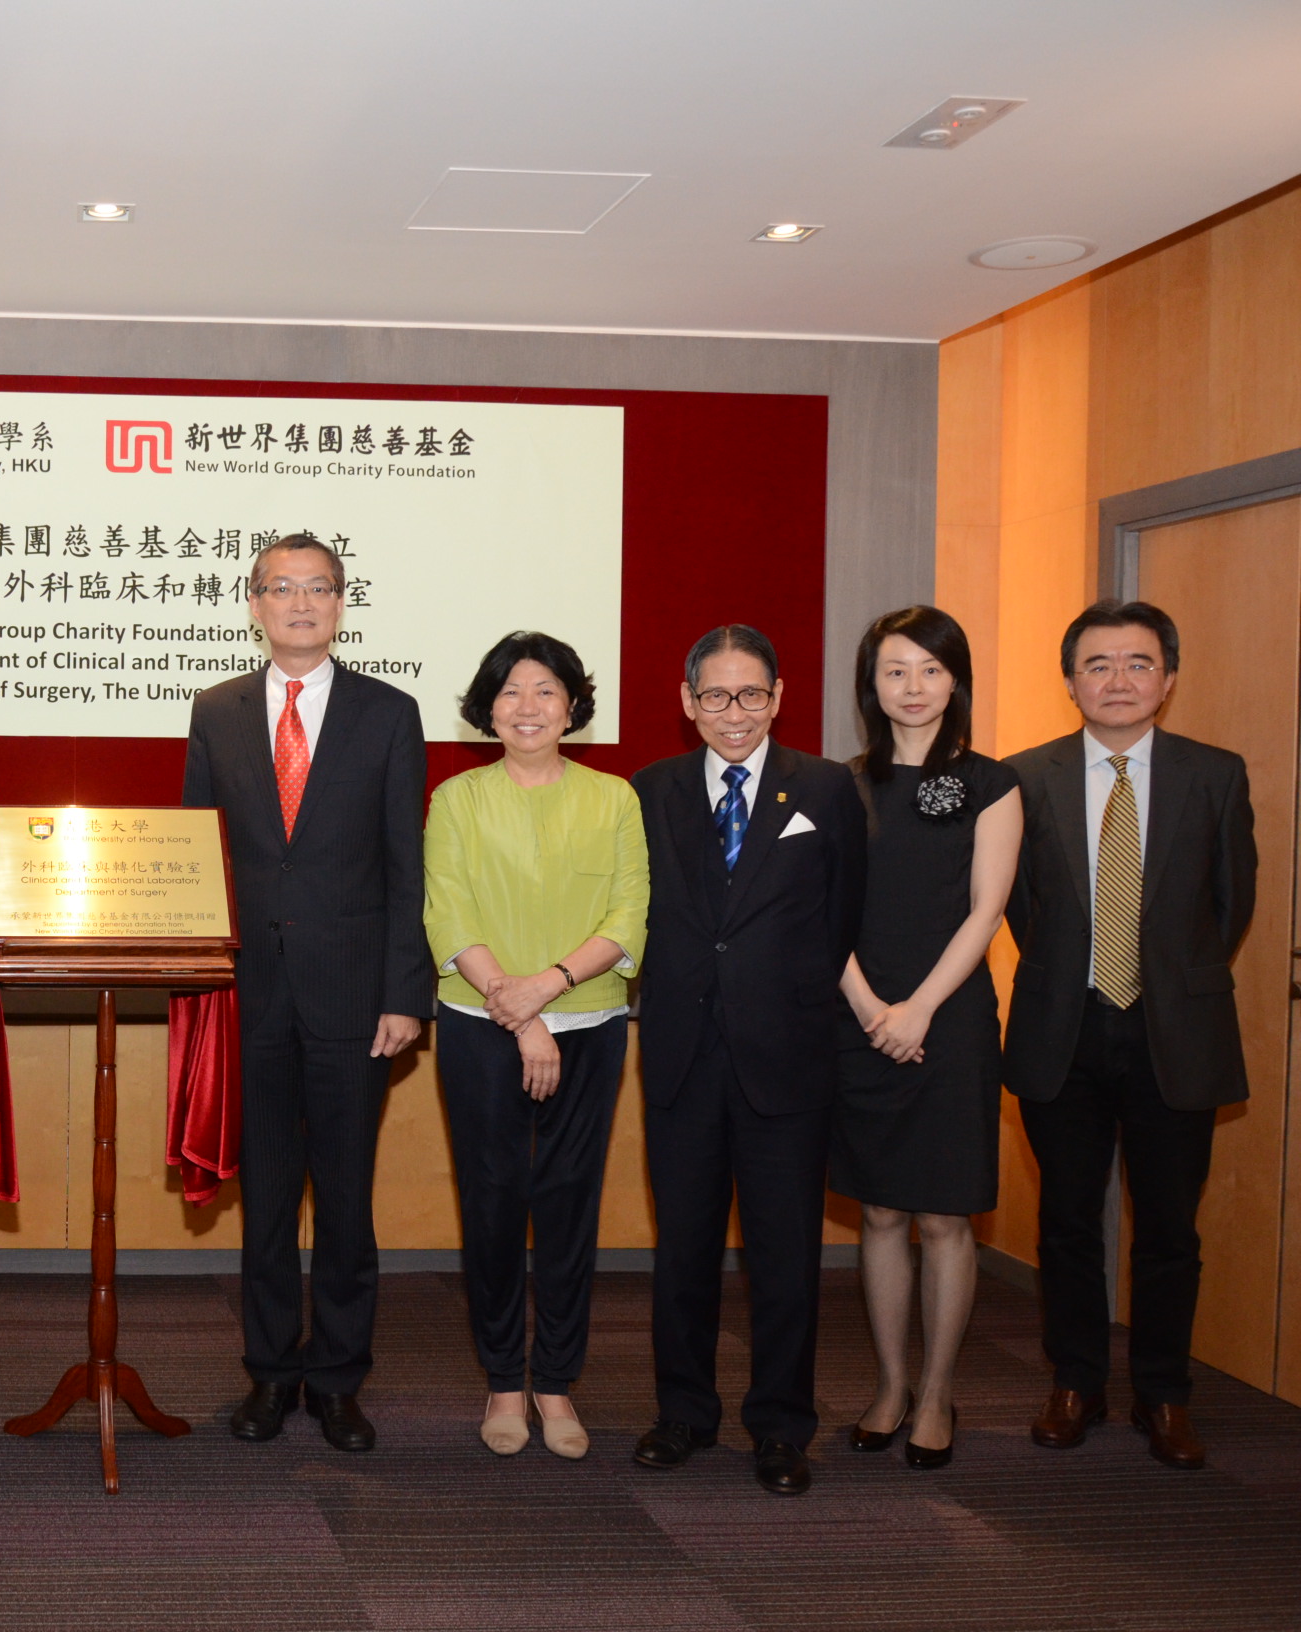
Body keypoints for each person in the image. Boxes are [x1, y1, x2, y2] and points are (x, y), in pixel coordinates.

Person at [181, 533, 430, 1453]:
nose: (299, 603)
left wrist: (405, 993)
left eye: (317, 588)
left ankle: (336, 1379)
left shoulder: (388, 713)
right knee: (268, 1201)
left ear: (340, 603)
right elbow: (197, 854)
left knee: (347, 1202)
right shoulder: (216, 709)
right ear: (254, 604)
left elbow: (407, 865)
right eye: (280, 588)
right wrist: (204, 983)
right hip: (250, 996)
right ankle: (270, 1372)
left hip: (355, 999)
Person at [1004, 599, 1255, 1471]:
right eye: (1098, 664)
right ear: (1070, 680)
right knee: (1067, 1223)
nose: (1118, 680)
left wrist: (1164, 981)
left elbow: (1230, 904)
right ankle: (1075, 1383)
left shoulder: (1215, 774)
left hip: (1173, 1033)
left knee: (1169, 1230)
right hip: (1063, 1029)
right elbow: (1021, 907)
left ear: (1169, 678)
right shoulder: (1023, 777)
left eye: (1139, 663)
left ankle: (1164, 1393)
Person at [629, 624, 866, 1495]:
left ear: (779, 697)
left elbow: (844, 914)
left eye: (753, 695)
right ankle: (684, 1414)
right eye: (717, 696)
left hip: (788, 1055)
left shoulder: (827, 788)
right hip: (682, 1053)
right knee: (683, 1251)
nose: (736, 713)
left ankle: (780, 1426)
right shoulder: (650, 789)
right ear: (688, 702)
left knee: (785, 1257)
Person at [423, 631, 647, 1461]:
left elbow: (629, 914)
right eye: (510, 691)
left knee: (568, 1204)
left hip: (588, 1024)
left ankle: (554, 1381)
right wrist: (519, 1016)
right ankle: (502, 1381)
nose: (528, 707)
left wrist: (546, 990)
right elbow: (447, 912)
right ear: (487, 709)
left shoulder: (614, 798)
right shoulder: (456, 798)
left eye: (546, 690)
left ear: (573, 705)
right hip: (479, 1024)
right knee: (491, 1202)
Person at [832, 607, 1022, 1470]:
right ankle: (889, 1385)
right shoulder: (840, 785)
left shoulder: (992, 783)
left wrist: (917, 1011)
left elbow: (987, 911)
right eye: (895, 671)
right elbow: (823, 910)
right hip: (859, 1015)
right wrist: (873, 1007)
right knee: (879, 1211)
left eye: (931, 670)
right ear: (870, 685)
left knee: (945, 1217)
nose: (913, 688)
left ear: (956, 681)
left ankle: (938, 1392)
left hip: (951, 1024)